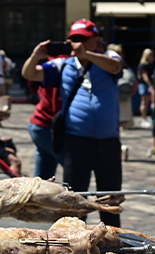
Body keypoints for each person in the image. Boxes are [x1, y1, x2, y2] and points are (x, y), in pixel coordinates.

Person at [22, 18, 123, 227]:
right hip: (77, 142)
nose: (79, 44)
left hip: (108, 142)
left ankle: (113, 244)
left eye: (84, 39)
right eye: (75, 39)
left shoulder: (108, 57)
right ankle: (76, 245)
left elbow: (115, 67)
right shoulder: (63, 64)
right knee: (75, 201)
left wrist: (88, 55)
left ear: (96, 40)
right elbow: (29, 74)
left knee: (110, 198)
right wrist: (35, 56)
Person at [137, 48, 155, 128]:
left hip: (150, 85)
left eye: (152, 54)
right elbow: (145, 76)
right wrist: (150, 84)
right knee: (145, 102)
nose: (152, 56)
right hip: (145, 85)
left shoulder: (151, 64)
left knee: (150, 102)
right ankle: (144, 120)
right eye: (150, 54)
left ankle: (148, 119)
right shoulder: (144, 65)